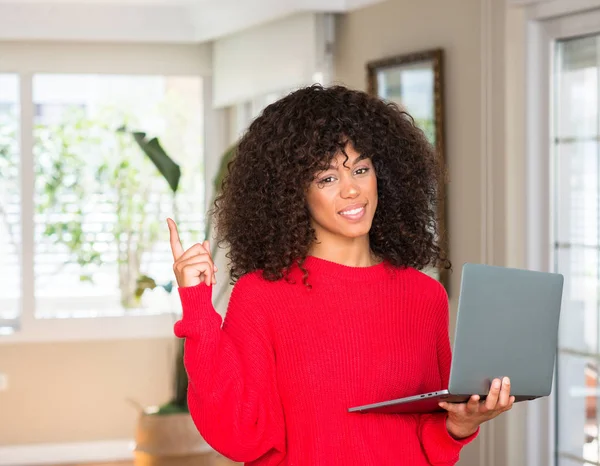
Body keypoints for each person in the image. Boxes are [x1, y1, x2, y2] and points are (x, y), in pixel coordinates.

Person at [168, 84, 514, 465]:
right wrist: (197, 308)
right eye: (327, 178)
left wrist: (462, 425)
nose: (352, 190)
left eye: (361, 169)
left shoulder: (425, 296)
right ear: (293, 192)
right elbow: (238, 435)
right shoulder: (261, 296)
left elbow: (430, 433)